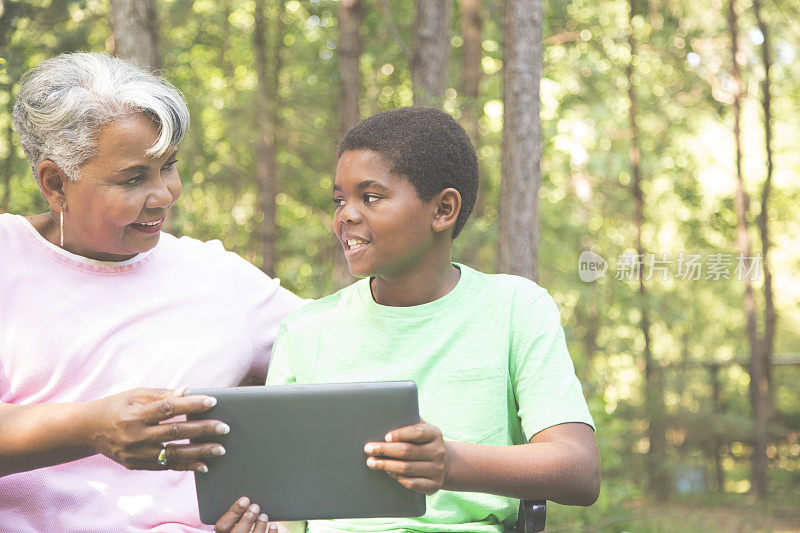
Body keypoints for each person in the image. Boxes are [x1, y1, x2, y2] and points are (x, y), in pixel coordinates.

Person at [236, 106, 600, 532]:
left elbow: (580, 470)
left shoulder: (515, 308)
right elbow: (284, 487)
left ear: (443, 210)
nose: (345, 215)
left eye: (370, 197)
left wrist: (451, 463)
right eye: (340, 200)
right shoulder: (306, 329)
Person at [1, 52, 303, 532]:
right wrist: (91, 429)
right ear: (55, 183)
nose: (164, 194)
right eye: (134, 178)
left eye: (168, 166)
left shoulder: (217, 276)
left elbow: (346, 357)